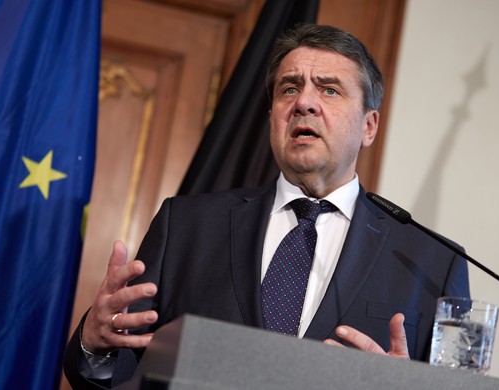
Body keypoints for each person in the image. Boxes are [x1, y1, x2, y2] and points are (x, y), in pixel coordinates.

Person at [64, 23, 469, 389]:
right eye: (289, 88)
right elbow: (120, 372)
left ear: (368, 126)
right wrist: (93, 345)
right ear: (272, 114)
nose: (304, 103)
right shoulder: (185, 225)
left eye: (329, 89)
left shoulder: (434, 262)